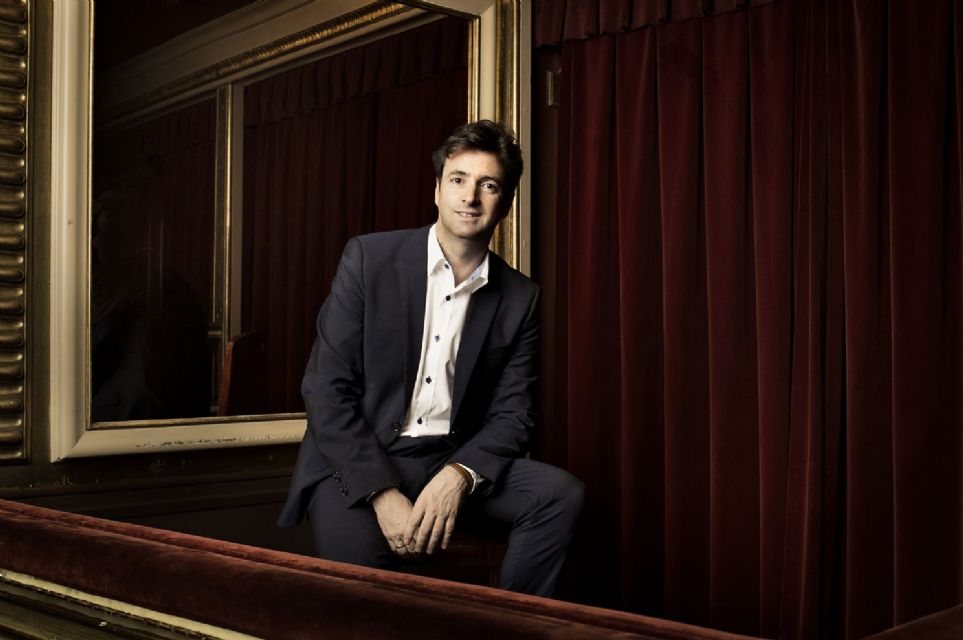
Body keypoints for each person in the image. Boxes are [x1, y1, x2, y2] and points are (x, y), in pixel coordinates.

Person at [278, 120, 583, 597]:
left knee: (559, 495)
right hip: (358, 459)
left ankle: (513, 626)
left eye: (488, 185)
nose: (470, 197)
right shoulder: (369, 259)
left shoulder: (520, 297)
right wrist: (381, 493)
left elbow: (515, 414)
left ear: (505, 202)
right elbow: (325, 390)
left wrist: (459, 475)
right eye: (458, 180)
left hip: (447, 458)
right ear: (437, 189)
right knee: (367, 597)